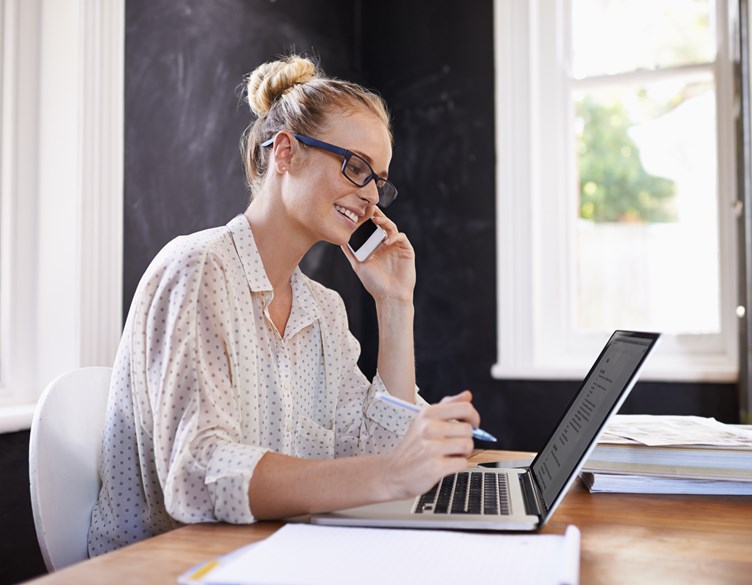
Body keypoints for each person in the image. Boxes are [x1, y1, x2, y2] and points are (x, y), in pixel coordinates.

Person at [88, 54, 480, 556]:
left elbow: (380, 455)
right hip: (168, 564)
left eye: (378, 180)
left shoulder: (324, 310)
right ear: (287, 154)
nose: (370, 197)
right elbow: (197, 473)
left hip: (272, 554)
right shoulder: (197, 270)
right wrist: (389, 472)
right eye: (357, 167)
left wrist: (395, 303)